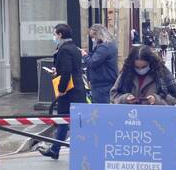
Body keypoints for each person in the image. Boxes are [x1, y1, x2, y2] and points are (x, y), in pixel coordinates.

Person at [38, 23, 88, 160]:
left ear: (60, 34)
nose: (54, 37)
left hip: (69, 91)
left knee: (63, 120)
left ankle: (56, 149)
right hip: (77, 90)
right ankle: (58, 148)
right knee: (70, 121)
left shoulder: (64, 50)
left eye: (54, 34)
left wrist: (61, 90)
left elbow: (66, 72)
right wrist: (57, 71)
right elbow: (70, 68)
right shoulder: (74, 48)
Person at [111, 46, 176, 105]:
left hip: (155, 118)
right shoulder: (126, 72)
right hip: (130, 116)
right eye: (137, 67)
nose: (140, 70)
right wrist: (125, 99)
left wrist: (157, 100)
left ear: (150, 63)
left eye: (144, 67)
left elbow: (175, 95)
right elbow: (113, 95)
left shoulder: (161, 72)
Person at [86, 24, 118, 105]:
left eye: (93, 37)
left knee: (101, 108)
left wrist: (85, 56)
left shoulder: (104, 47)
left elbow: (93, 62)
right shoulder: (110, 45)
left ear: (98, 35)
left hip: (102, 83)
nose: (93, 40)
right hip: (105, 82)